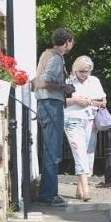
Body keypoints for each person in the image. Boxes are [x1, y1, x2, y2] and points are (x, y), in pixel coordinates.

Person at [33, 28, 75, 205]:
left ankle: (48, 191)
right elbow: (42, 82)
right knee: (52, 149)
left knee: (50, 149)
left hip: (47, 105)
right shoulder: (56, 58)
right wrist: (64, 88)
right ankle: (49, 194)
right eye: (71, 42)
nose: (71, 45)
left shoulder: (47, 54)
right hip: (50, 105)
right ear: (67, 42)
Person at [64, 55, 107, 201]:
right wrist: (76, 100)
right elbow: (62, 101)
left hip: (90, 120)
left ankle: (79, 189)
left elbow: (103, 101)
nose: (84, 74)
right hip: (72, 120)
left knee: (88, 154)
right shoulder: (68, 81)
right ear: (75, 70)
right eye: (81, 71)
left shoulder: (94, 81)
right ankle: (86, 190)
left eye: (87, 71)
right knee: (80, 153)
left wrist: (89, 102)